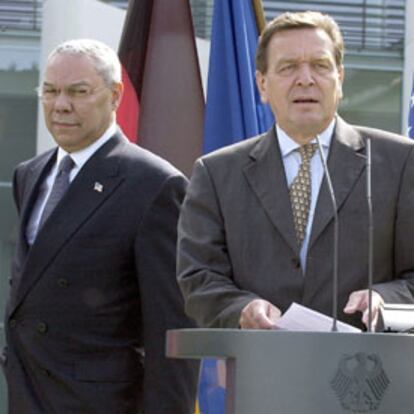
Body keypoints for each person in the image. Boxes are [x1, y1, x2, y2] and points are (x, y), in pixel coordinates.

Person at [177, 11, 414, 331]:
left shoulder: (400, 162)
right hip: (262, 368)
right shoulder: (217, 173)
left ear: (339, 78)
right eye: (288, 67)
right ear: (262, 84)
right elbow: (199, 276)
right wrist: (242, 308)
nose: (305, 79)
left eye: (320, 66)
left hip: (365, 370)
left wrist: (383, 298)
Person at [2, 39, 198, 414]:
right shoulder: (29, 174)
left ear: (114, 95)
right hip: (27, 396)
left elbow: (172, 332)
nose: (61, 105)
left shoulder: (154, 185)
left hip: (101, 404)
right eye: (50, 91)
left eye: (78, 92)